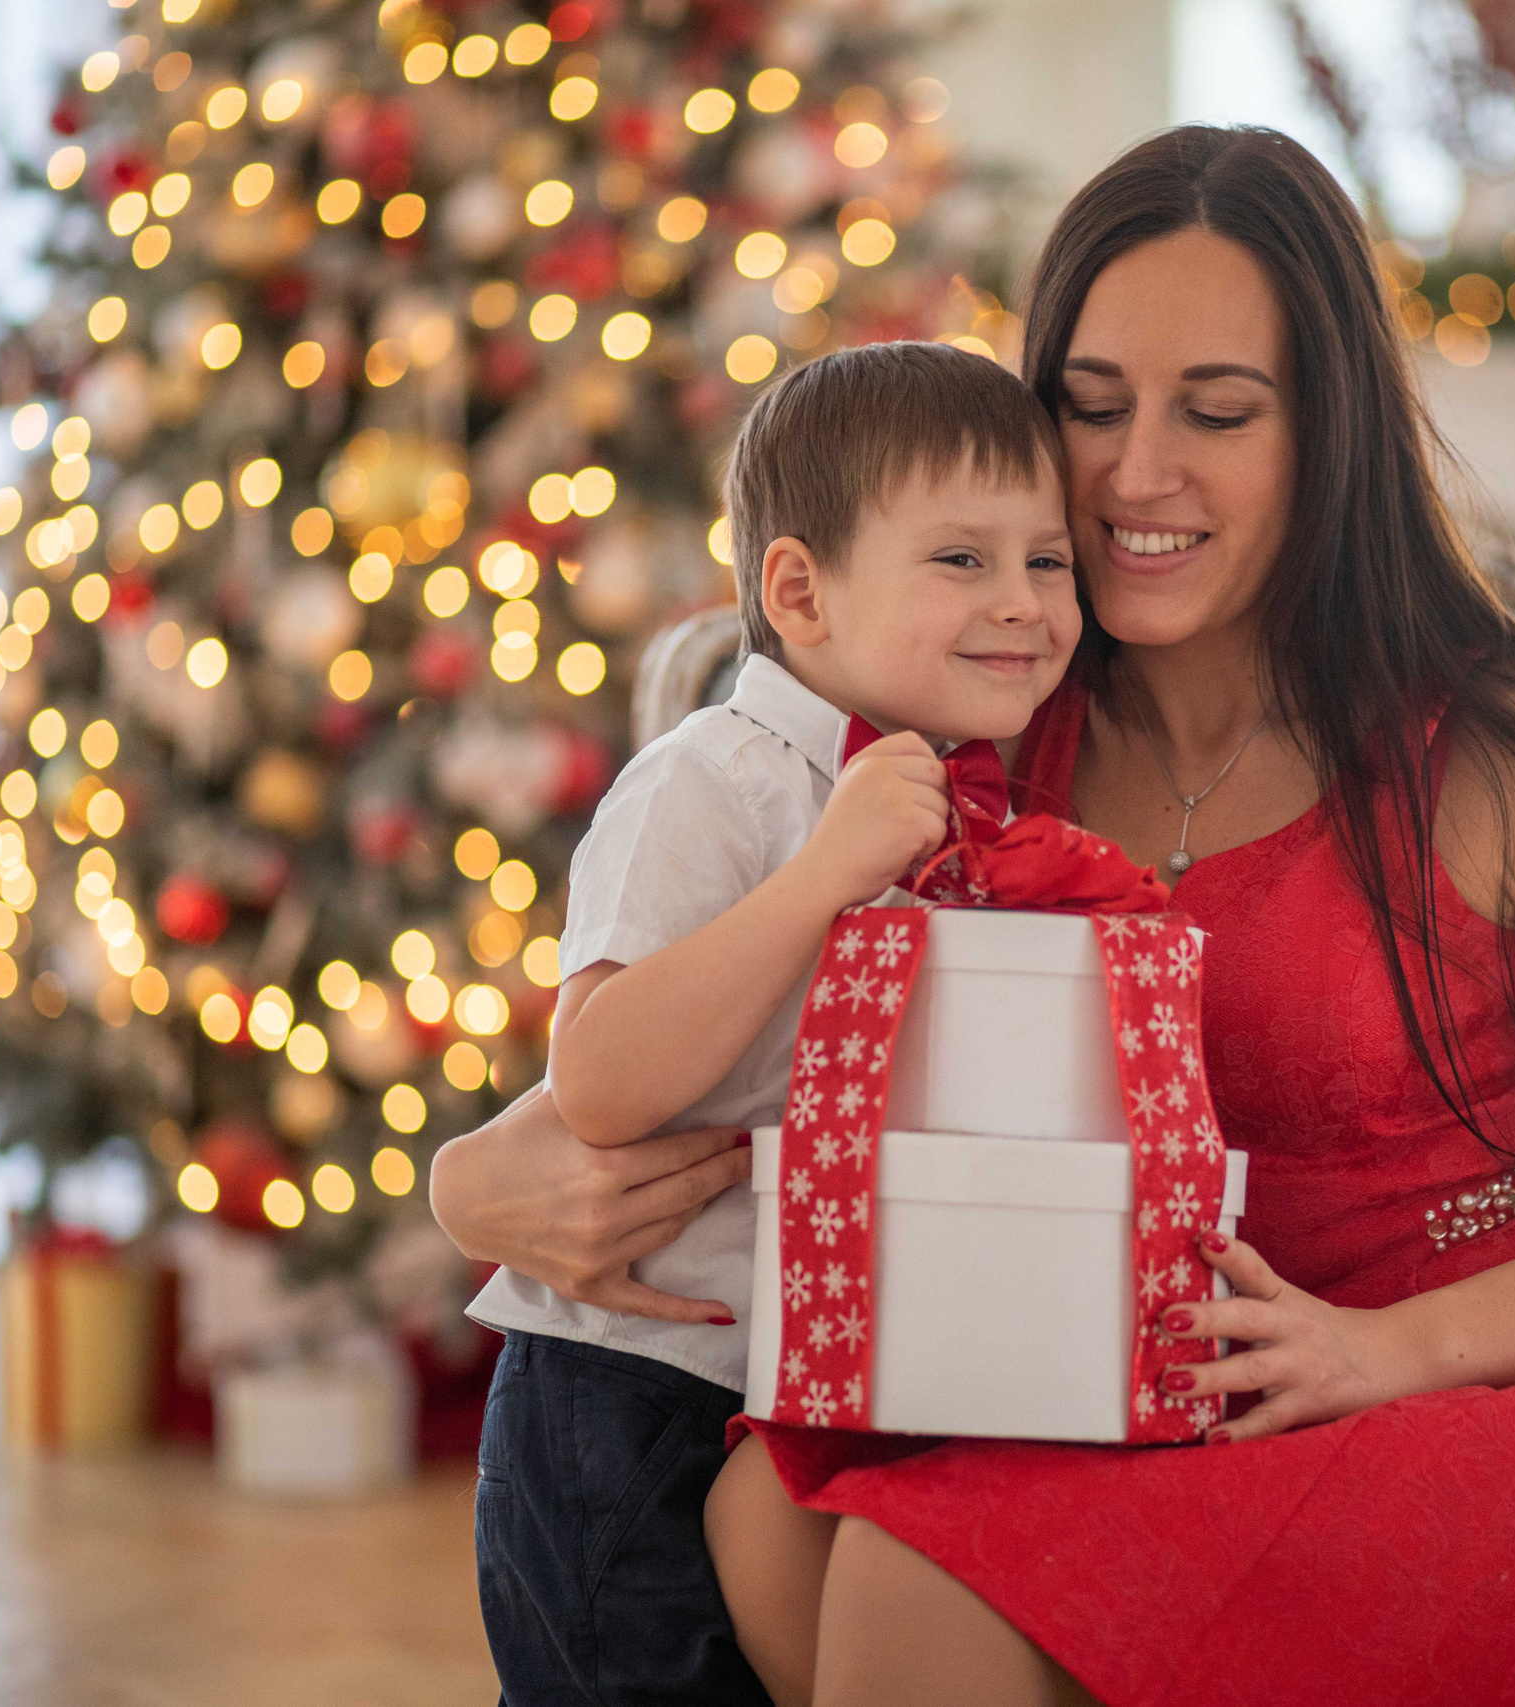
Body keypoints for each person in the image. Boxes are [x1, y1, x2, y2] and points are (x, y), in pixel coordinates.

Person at [438, 125, 1515, 1707]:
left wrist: (1385, 1353)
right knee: (767, 1519)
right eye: (1091, 406)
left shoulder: (1493, 743)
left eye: (1220, 412)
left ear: (1330, 435)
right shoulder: (976, 726)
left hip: (1486, 1389)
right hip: (1111, 1375)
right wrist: (480, 1178)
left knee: (918, 1587)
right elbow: (744, 1010)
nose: (1135, 474)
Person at [460, 339, 1080, 1707]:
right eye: (963, 560)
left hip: (806, 1389)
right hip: (631, 1397)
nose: (1026, 603)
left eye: (1051, 561)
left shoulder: (973, 802)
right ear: (797, 590)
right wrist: (820, 879)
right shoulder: (715, 785)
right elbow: (602, 1080)